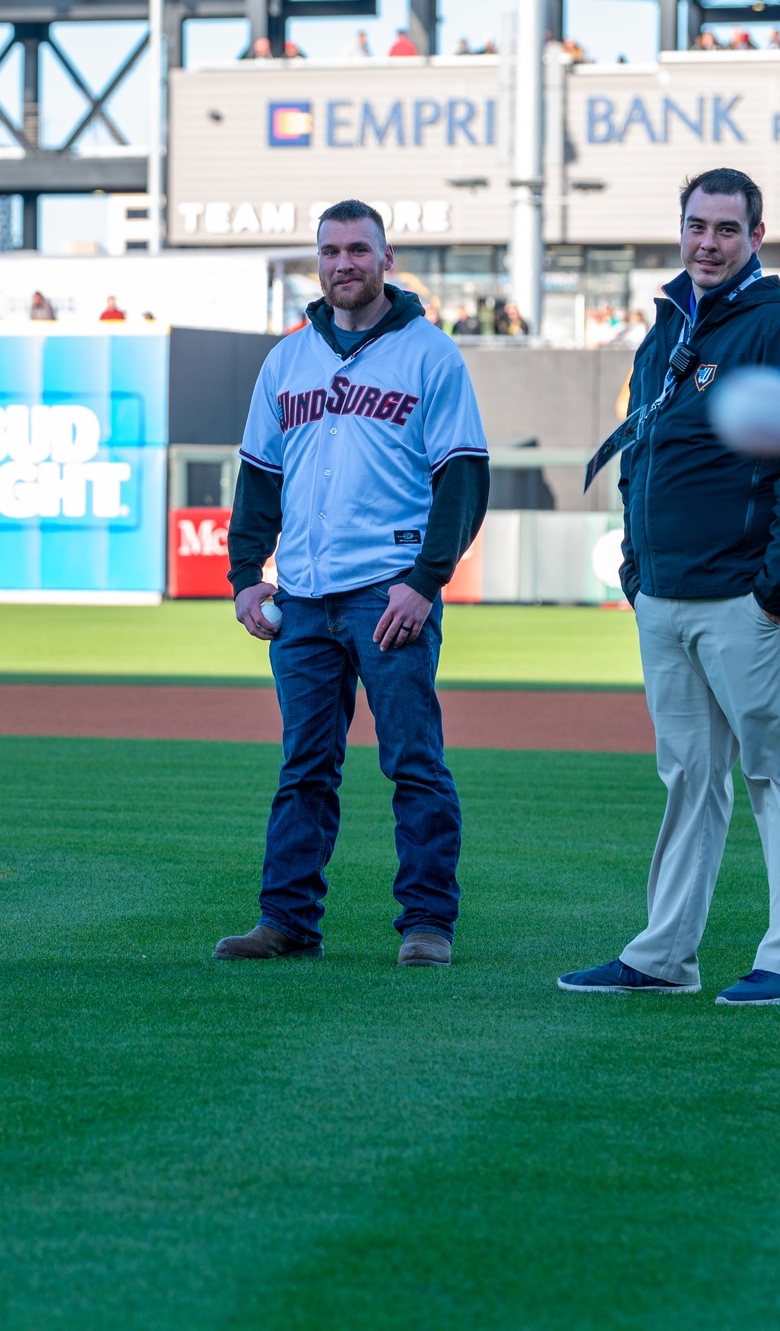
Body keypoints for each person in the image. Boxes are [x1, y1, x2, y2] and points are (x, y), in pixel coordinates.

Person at [559, 167, 780, 1006]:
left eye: (727, 229)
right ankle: (664, 955)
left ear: (756, 237)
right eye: (696, 226)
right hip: (668, 594)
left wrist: (776, 589)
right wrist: (636, 567)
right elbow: (645, 450)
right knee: (689, 776)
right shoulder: (666, 328)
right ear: (679, 229)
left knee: (778, 775)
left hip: (745, 599)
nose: (707, 243)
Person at [214, 199, 491, 967]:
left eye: (359, 249)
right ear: (319, 261)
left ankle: (427, 923)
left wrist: (425, 583)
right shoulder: (288, 359)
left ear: (386, 258)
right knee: (304, 766)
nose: (345, 263)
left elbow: (463, 481)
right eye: (331, 250)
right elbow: (259, 480)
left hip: (387, 594)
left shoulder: (430, 354)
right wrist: (245, 576)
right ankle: (287, 921)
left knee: (412, 759)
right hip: (302, 596)